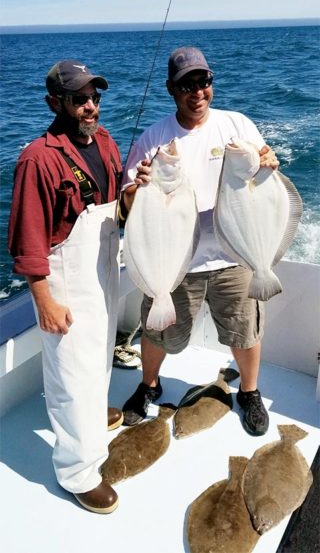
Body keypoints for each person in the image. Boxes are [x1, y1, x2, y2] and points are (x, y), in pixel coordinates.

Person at [120, 46, 279, 436]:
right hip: (175, 261)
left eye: (203, 81)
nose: (197, 91)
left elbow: (263, 180)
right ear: (171, 89)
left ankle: (250, 391)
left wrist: (269, 164)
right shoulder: (153, 139)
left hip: (234, 252)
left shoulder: (237, 125)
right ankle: (149, 385)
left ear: (211, 83)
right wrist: (136, 188)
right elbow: (125, 209)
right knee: (158, 330)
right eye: (187, 84)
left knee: (244, 329)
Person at [8, 60, 125, 513]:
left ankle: (94, 419)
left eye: (94, 96)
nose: (90, 106)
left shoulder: (107, 141)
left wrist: (133, 194)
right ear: (55, 103)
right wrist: (44, 301)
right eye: (79, 99)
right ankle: (77, 471)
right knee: (71, 374)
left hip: (103, 269)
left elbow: (113, 201)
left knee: (99, 355)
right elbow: (28, 239)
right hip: (66, 279)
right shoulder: (37, 158)